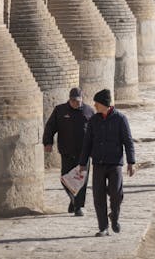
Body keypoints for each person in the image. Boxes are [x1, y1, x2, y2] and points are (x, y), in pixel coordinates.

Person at [78, 89, 136, 237]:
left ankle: (114, 216)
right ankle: (103, 227)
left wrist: (131, 162)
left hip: (115, 163)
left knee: (116, 193)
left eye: (97, 103)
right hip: (98, 163)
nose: (95, 106)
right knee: (98, 196)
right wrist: (83, 163)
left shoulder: (120, 119)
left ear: (104, 104)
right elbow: (87, 143)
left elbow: (128, 141)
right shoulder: (94, 120)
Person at [43, 87, 95, 216]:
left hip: (84, 153)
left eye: (78, 101)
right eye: (73, 101)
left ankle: (78, 206)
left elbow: (96, 131)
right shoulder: (60, 110)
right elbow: (50, 127)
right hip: (66, 151)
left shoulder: (89, 111)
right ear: (69, 99)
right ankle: (73, 201)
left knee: (81, 180)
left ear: (82, 99)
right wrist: (48, 142)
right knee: (65, 179)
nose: (76, 103)